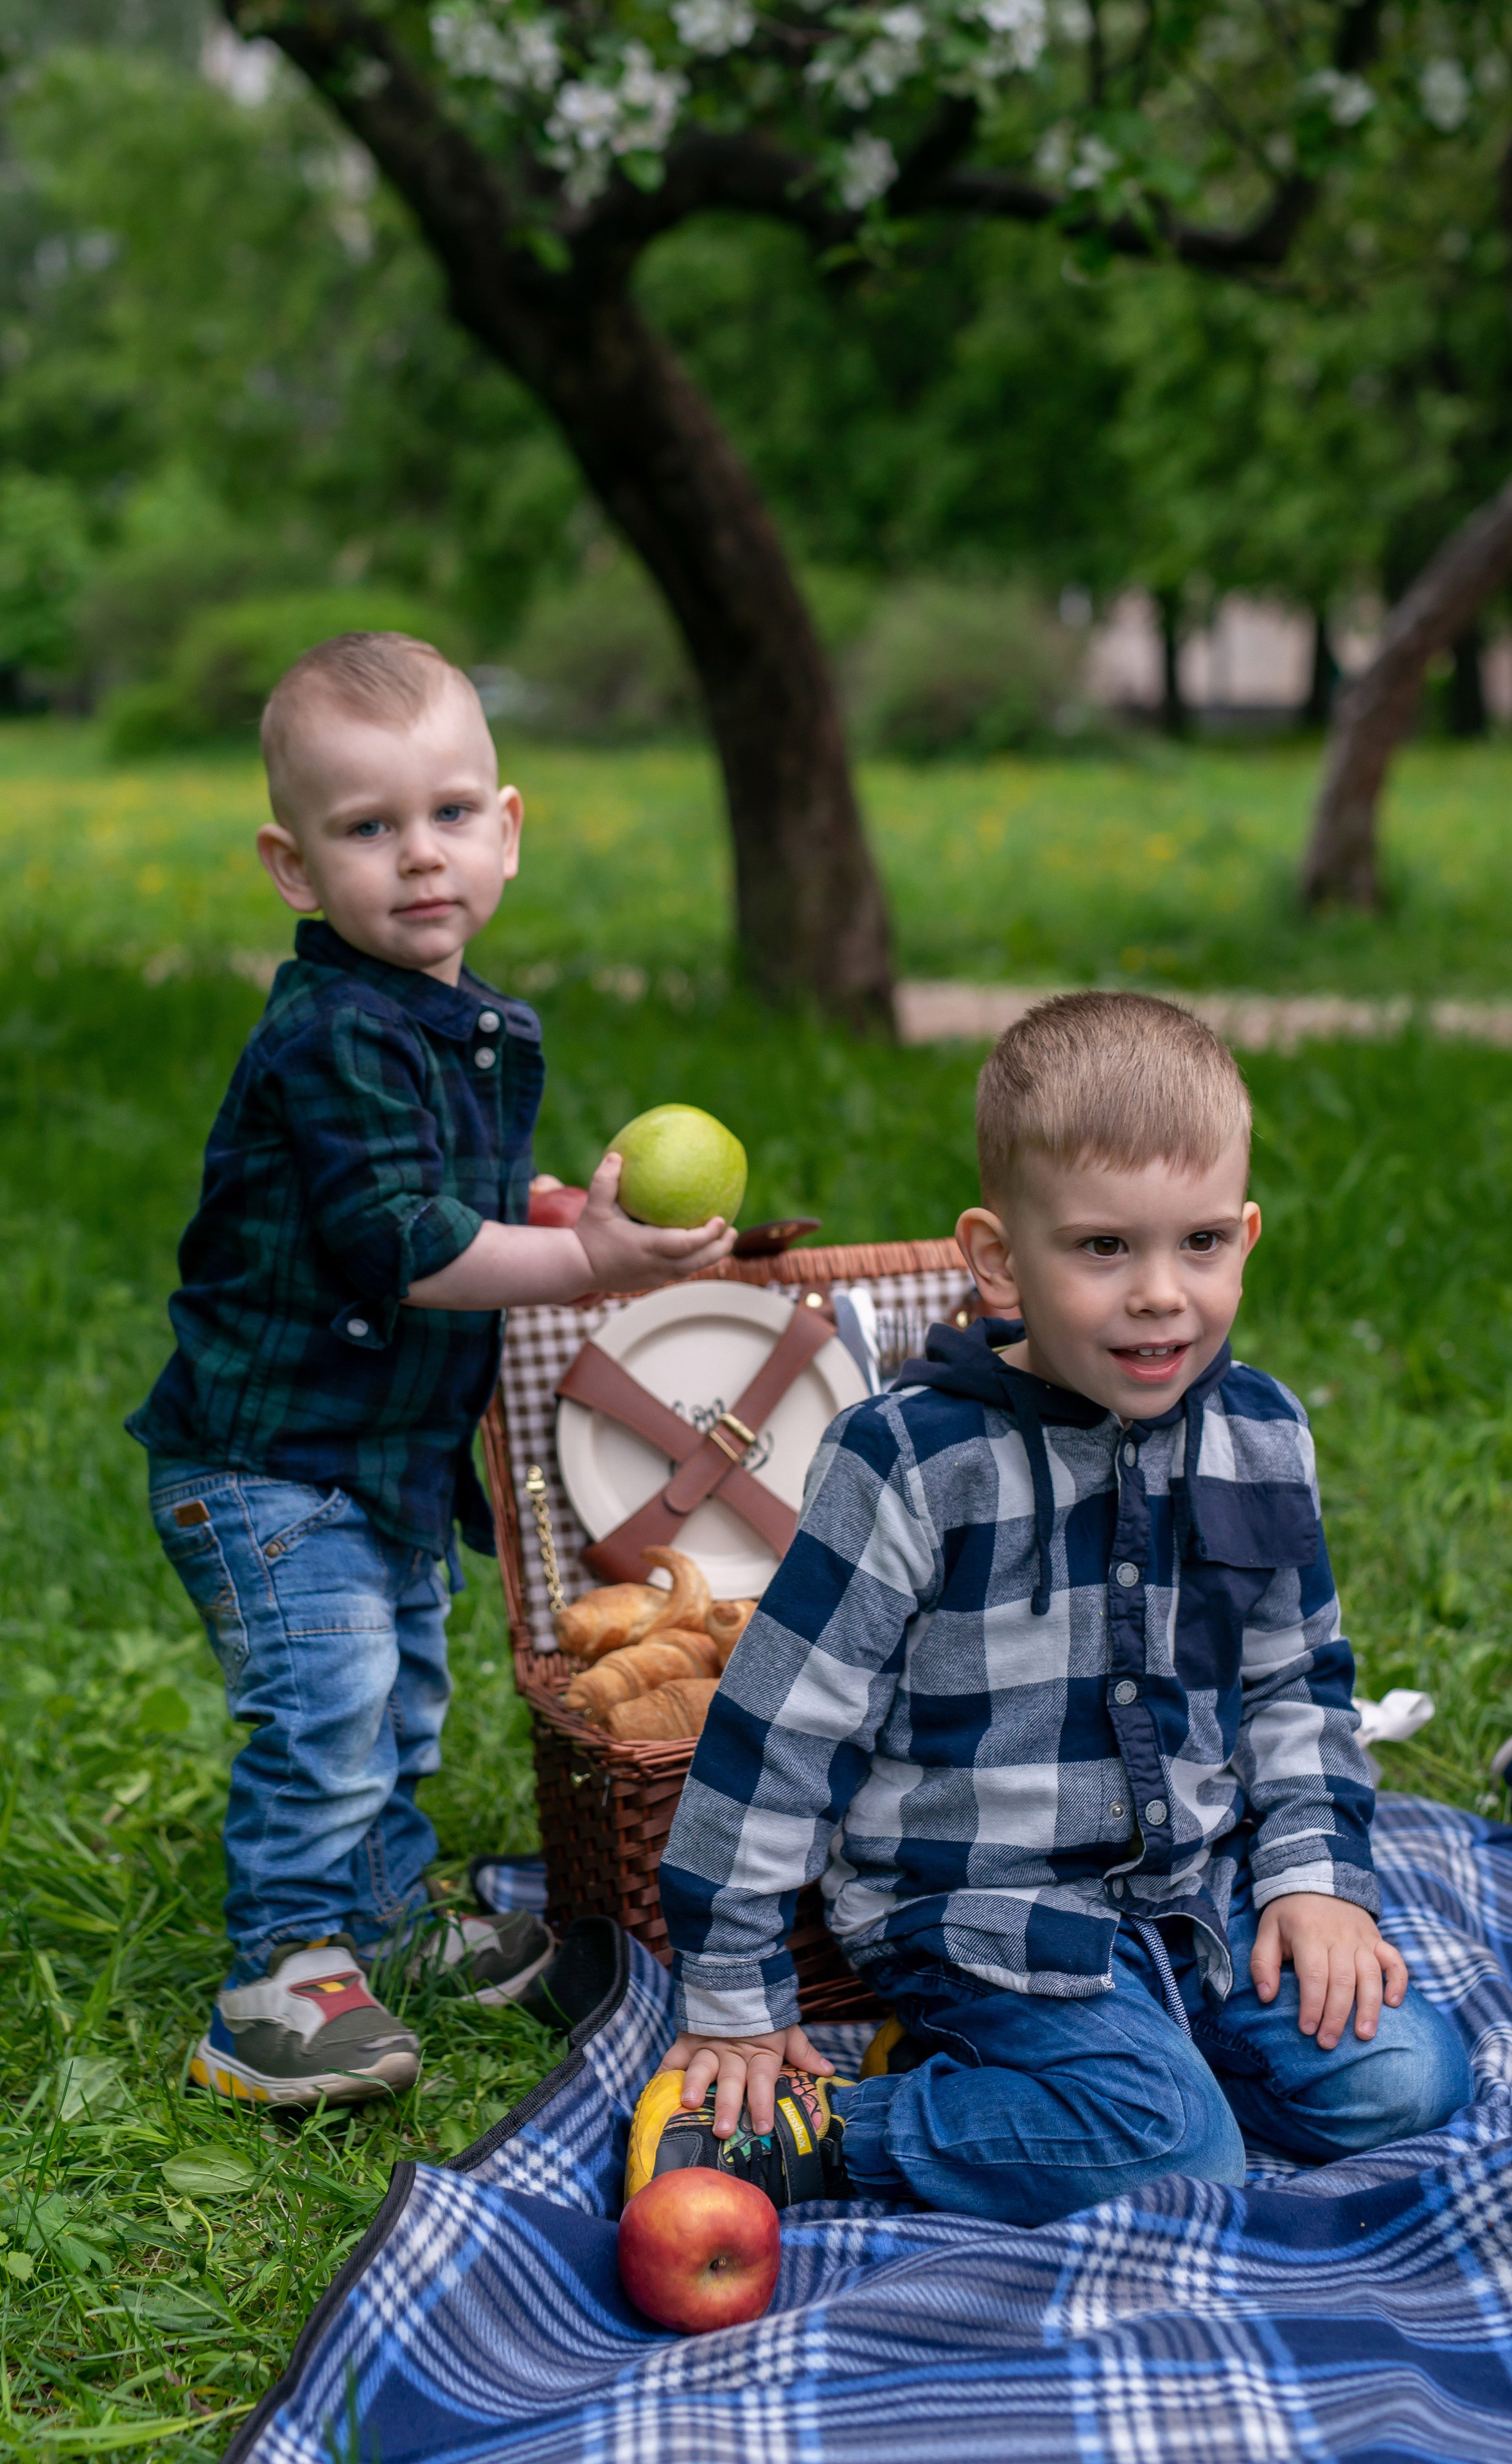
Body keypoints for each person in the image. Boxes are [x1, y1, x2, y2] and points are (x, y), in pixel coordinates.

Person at [633, 992, 1470, 2221]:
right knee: (1175, 2158)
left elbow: (1299, 1684)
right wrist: (736, 1997)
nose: (1160, 1296)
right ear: (994, 1257)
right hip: (988, 1915)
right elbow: (778, 1732)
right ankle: (836, 2130)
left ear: (1246, 1235)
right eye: (1100, 1248)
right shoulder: (913, 1460)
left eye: (1199, 1244)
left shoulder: (1260, 1436)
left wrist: (1312, 1879)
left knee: (1406, 2076)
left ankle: (1069, 2095)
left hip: (1195, 1898)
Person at [128, 632, 735, 2107]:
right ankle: (274, 1978)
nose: (419, 858)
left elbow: (451, 1203)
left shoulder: (443, 1025)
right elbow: (404, 1241)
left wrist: (531, 1216)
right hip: (270, 1460)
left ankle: (386, 1927)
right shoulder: (336, 1032)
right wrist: (586, 1260)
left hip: (379, 1457)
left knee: (397, 1703)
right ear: (292, 866)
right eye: (366, 828)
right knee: (329, 1707)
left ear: (508, 831)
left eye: (450, 816)